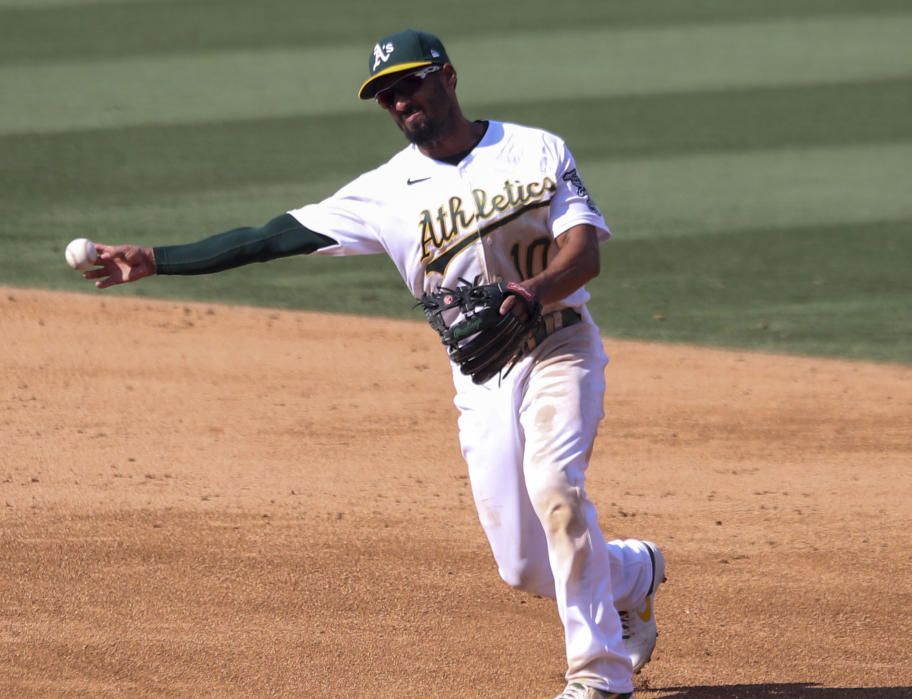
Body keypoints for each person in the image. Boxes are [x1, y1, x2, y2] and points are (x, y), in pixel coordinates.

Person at [80, 28, 664, 699]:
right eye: (385, 95)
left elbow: (584, 255)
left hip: (560, 342)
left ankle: (598, 676)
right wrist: (159, 257)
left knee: (556, 489)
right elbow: (271, 237)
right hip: (482, 376)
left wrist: (529, 293)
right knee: (527, 568)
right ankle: (632, 572)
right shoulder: (386, 191)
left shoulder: (534, 149)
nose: (399, 101)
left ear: (446, 76)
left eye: (409, 83)